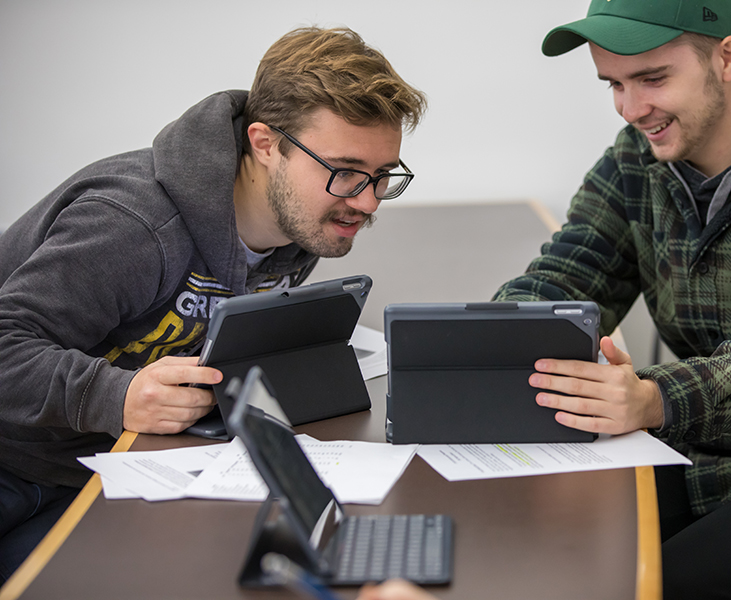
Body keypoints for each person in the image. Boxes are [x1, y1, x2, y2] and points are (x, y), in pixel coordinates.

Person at [0, 26, 425, 582]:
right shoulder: (135, 228)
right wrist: (115, 394)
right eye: (344, 172)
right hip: (18, 464)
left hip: (109, 467)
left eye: (381, 176)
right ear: (265, 144)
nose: (366, 201)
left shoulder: (302, 224)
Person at [489, 0, 731, 597]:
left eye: (653, 79)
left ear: (726, 58)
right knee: (544, 549)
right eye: (614, 85)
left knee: (638, 585)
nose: (632, 109)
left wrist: (655, 398)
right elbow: (568, 272)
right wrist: (483, 343)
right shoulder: (639, 157)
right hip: (700, 450)